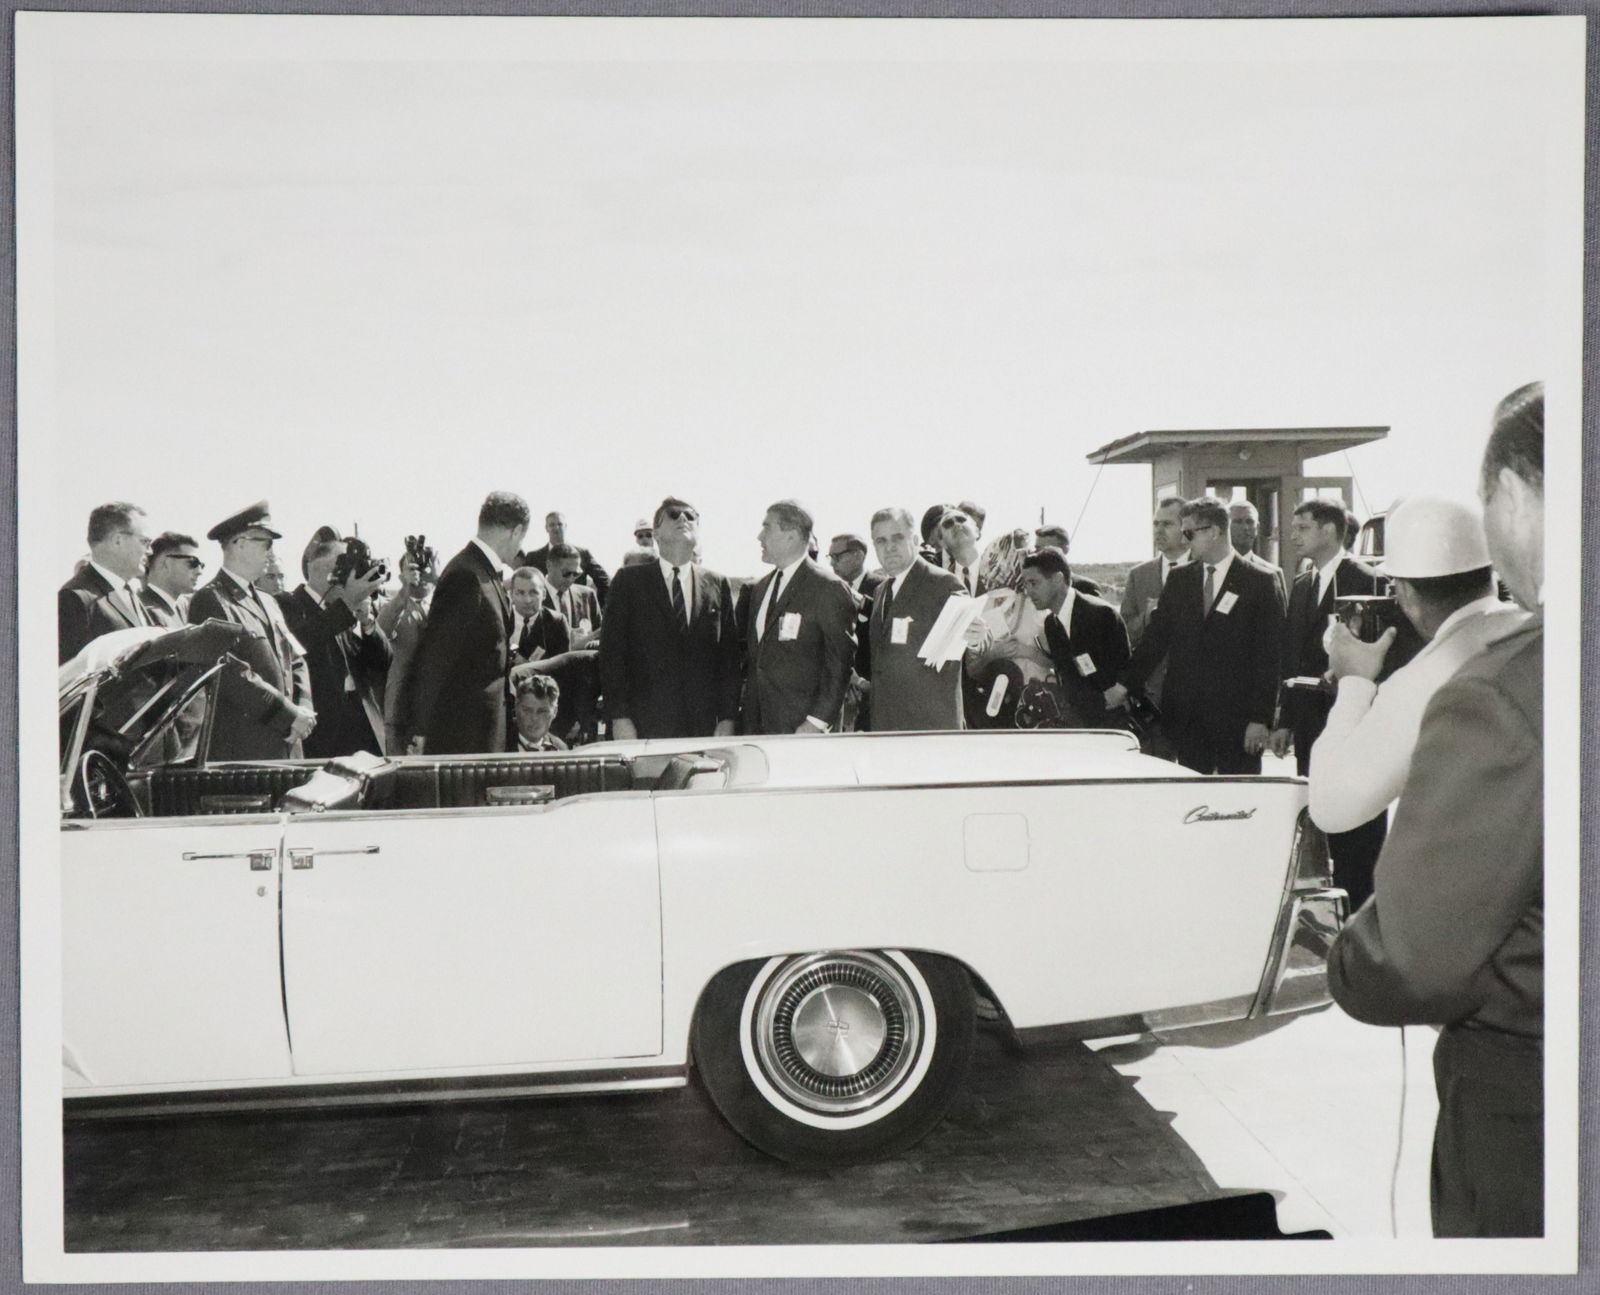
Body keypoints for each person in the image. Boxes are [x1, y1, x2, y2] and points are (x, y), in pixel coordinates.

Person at [1329, 381, 1544, 1238]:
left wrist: (1352, 681)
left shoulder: (1489, 687)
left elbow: (1338, 803)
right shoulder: (1512, 639)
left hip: (1524, 1089)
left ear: (1520, 497)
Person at [1307, 495, 1527, 835]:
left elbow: (1331, 807)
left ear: (1405, 591)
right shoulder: (1540, 632)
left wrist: (1353, 682)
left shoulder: (1422, 682)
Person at [1106, 496, 1285, 774]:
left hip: (1237, 722)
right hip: (1187, 719)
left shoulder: (1260, 582)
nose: (1185, 539)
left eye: (1189, 532)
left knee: (1239, 800)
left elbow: (1270, 657)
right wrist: (1124, 685)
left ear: (1213, 532)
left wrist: (1259, 719)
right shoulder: (1180, 580)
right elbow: (1155, 640)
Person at [1266, 498, 1387, 907]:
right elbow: (1290, 656)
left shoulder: (1367, 580)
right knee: (1324, 826)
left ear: (1331, 530)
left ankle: (1363, 917)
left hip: (1355, 728)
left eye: (1302, 526)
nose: (1293, 534)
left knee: (1358, 835)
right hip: (1311, 731)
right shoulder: (1301, 585)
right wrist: (1283, 719)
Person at [599, 496, 741, 740]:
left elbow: (728, 658)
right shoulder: (628, 581)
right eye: (674, 514)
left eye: (691, 516)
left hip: (702, 727)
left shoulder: (717, 584)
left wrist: (727, 719)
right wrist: (620, 718)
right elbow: (612, 655)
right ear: (655, 533)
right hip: (642, 725)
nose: (684, 518)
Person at [187, 502, 317, 759]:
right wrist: (287, 715)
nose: (270, 552)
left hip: (290, 743)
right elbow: (228, 671)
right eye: (265, 543)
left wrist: (303, 708)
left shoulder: (270, 601)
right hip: (247, 748)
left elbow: (295, 657)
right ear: (240, 543)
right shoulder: (210, 600)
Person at [406, 492, 529, 755]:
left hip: (484, 733)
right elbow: (435, 657)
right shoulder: (466, 576)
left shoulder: (483, 572)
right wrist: (421, 729)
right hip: (464, 737)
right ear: (516, 531)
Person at [739, 499, 857, 735]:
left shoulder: (828, 587)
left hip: (803, 731)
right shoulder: (760, 589)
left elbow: (839, 663)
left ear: (791, 535)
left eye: (767, 527)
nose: (760, 537)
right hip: (757, 729)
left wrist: (817, 722)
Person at [281, 530, 391, 758]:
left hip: (364, 732)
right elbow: (299, 645)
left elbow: (383, 664)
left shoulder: (345, 609)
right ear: (320, 567)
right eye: (343, 564)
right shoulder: (288, 605)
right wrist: (347, 604)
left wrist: (368, 622)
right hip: (322, 737)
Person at [862, 508, 965, 731]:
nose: (889, 547)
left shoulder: (943, 584)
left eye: (897, 538)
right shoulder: (880, 591)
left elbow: (973, 641)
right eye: (880, 541)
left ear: (915, 540)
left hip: (929, 730)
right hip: (886, 728)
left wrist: (978, 637)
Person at [1019, 548, 1130, 728]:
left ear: (1057, 580)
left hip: (1116, 724)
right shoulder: (1051, 624)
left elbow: (1126, 667)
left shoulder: (1100, 614)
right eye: (1025, 584)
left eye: (1034, 583)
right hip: (1080, 724)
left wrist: (1121, 688)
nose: (1029, 591)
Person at [59, 501, 153, 661]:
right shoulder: (74, 598)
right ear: (118, 540)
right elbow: (72, 677)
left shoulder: (128, 593)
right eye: (145, 542)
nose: (150, 551)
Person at [376, 544, 435, 757]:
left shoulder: (441, 605)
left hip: (433, 709)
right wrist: (405, 590)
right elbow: (381, 629)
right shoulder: (396, 606)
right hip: (401, 709)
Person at [827, 532, 884, 731]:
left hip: (871, 693)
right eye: (830, 557)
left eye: (837, 557)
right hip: (835, 694)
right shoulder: (828, 590)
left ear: (858, 556)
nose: (832, 563)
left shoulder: (882, 588)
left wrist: (862, 682)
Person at [519, 510, 610, 608]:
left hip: (576, 611)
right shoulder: (534, 557)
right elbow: (522, 585)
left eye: (559, 524)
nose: (556, 528)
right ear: (546, 528)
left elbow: (605, 582)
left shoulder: (582, 554)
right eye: (552, 525)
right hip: (544, 614)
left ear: (566, 526)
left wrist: (596, 607)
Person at [123, 531, 202, 628]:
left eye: (201, 565)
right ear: (166, 563)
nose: (199, 571)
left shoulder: (182, 607)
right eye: (193, 563)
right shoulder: (143, 610)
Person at [1228, 500, 1288, 599]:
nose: (1245, 527)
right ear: (1225, 527)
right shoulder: (1215, 568)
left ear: (1257, 527)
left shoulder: (1272, 573)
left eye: (1250, 522)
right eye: (1238, 522)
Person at [1032, 524, 1103, 596]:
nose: (1039, 554)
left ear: (1065, 550)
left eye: (1047, 550)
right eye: (1037, 549)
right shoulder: (1029, 586)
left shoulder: (1085, 588)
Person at [511, 673, 568, 753]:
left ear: (555, 712)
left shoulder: (560, 749)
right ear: (516, 707)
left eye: (542, 711)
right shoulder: (497, 745)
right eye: (527, 710)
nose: (534, 718)